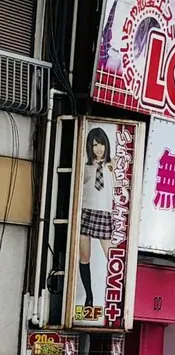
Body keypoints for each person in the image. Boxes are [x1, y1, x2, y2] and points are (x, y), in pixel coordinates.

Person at [76, 125, 115, 313]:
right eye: (94, 145)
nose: (99, 149)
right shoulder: (85, 168)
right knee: (84, 256)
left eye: (101, 144)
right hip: (86, 212)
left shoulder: (112, 165)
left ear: (106, 145)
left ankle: (118, 292)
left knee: (112, 255)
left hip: (104, 213)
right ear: (89, 147)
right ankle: (89, 296)